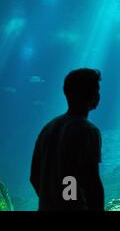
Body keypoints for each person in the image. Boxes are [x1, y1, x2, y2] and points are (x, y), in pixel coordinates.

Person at [30, 68, 104, 211]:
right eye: (97, 90)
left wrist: (52, 200)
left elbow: (34, 177)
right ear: (92, 94)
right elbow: (92, 182)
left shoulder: (48, 129)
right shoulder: (88, 131)